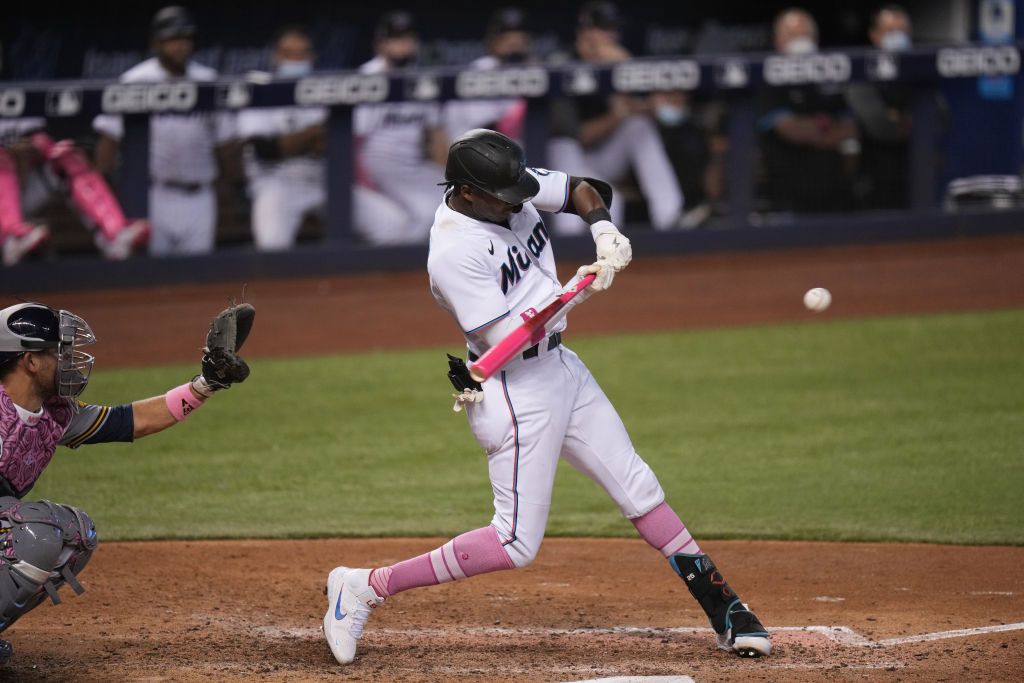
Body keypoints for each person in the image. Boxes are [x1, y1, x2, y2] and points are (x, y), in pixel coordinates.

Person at [322, 129, 772, 666]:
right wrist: (574, 290)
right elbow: (506, 341)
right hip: (513, 390)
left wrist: (602, 229)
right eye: (503, 196)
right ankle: (363, 586)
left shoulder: (504, 187)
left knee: (637, 486)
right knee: (514, 543)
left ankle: (724, 607)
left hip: (561, 368)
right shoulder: (453, 252)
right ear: (466, 192)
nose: (518, 201)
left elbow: (583, 186)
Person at [0, 301, 253, 665]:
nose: (69, 359)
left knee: (74, 535)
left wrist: (205, 385)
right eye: (60, 350)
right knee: (34, 533)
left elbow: (131, 421)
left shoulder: (55, 413)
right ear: (30, 360)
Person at [93, 6, 238, 256]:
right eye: (172, 40)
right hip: (153, 195)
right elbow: (109, 139)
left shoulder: (208, 80)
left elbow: (226, 143)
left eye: (184, 39)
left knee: (197, 281)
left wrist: (236, 186)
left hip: (200, 196)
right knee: (150, 279)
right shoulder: (135, 81)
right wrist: (106, 193)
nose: (180, 46)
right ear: (156, 44)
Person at [548, 1, 683, 234]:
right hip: (568, 163)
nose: (610, 35)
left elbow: (672, 114)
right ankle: (566, 236)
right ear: (584, 33)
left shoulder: (618, 60)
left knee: (639, 126)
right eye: (603, 28)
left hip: (605, 158)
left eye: (612, 29)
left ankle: (669, 218)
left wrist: (626, 69)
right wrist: (620, 113)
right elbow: (578, 136)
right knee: (567, 149)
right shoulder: (561, 65)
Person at [353, 11, 449, 245]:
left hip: (411, 168)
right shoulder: (368, 78)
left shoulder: (422, 78)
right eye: (395, 39)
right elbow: (352, 142)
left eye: (407, 38)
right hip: (373, 169)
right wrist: (367, 186)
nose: (403, 45)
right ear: (381, 44)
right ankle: (397, 275)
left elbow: (436, 136)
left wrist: (450, 176)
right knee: (414, 217)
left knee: (452, 203)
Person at [0, 118, 149, 265]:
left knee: (65, 155)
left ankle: (114, 235)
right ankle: (13, 238)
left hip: (22, 183)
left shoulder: (17, 99)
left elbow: (37, 140)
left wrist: (29, 149)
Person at [757, 8, 858, 213]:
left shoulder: (831, 77)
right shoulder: (767, 79)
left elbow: (851, 128)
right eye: (793, 36)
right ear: (778, 41)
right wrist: (827, 127)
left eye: (806, 35)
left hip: (834, 189)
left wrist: (812, 130)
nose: (801, 41)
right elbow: (789, 130)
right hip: (787, 190)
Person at [237, 26, 328, 251]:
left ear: (312, 57)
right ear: (276, 57)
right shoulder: (259, 87)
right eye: (289, 54)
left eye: (302, 53)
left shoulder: (325, 89)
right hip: (276, 183)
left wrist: (291, 142)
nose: (296, 60)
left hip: (321, 182)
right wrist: (311, 134)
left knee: (390, 226)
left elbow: (330, 143)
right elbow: (265, 149)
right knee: (271, 245)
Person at [845, 5, 915, 210]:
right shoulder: (862, 73)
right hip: (876, 174)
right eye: (890, 31)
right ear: (874, 35)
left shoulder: (919, 74)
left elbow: (939, 119)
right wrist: (907, 122)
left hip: (916, 173)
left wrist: (896, 118)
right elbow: (880, 127)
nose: (898, 37)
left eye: (902, 31)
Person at [444, 7, 533, 143]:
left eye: (520, 37)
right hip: (478, 150)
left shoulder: (533, 72)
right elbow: (484, 130)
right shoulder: (478, 71)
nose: (515, 44)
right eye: (507, 37)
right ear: (493, 41)